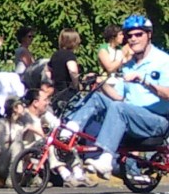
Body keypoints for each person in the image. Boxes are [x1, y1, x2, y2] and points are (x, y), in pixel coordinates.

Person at [64, 15, 169, 179]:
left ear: (149, 35)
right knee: (96, 97)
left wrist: (144, 80)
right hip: (129, 115)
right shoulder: (128, 65)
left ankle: (106, 159)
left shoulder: (163, 60)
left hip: (156, 121)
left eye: (138, 34)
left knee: (120, 109)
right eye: (129, 35)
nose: (133, 39)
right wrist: (101, 83)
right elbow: (118, 97)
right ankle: (68, 131)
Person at [21, 89, 96, 188]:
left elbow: (56, 123)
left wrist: (67, 134)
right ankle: (66, 176)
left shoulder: (43, 114)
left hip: (43, 153)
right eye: (45, 100)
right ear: (35, 103)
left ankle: (78, 174)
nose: (48, 103)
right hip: (28, 153)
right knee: (50, 143)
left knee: (64, 142)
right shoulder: (24, 115)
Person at [48, 28, 82, 105]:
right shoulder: (69, 55)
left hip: (57, 92)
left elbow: (47, 70)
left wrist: (52, 81)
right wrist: (76, 85)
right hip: (68, 92)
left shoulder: (55, 54)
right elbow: (73, 71)